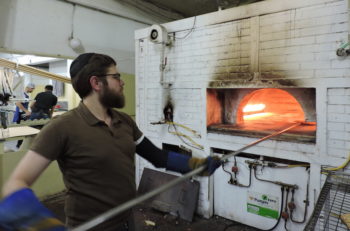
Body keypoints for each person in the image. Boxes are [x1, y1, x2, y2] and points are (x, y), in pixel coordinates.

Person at [0, 53, 222, 231]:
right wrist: (38, 223)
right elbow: (16, 183)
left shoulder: (124, 121)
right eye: (116, 76)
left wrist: (195, 166)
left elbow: (157, 156)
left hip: (126, 222)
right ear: (96, 83)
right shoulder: (61, 127)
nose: (122, 82)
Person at [13, 83, 35, 148]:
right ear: (28, 87)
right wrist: (26, 111)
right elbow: (17, 103)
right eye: (32, 89)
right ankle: (19, 145)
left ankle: (20, 144)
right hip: (20, 115)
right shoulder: (22, 94)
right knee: (21, 130)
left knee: (24, 129)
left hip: (23, 114)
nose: (32, 90)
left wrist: (28, 111)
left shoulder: (27, 95)